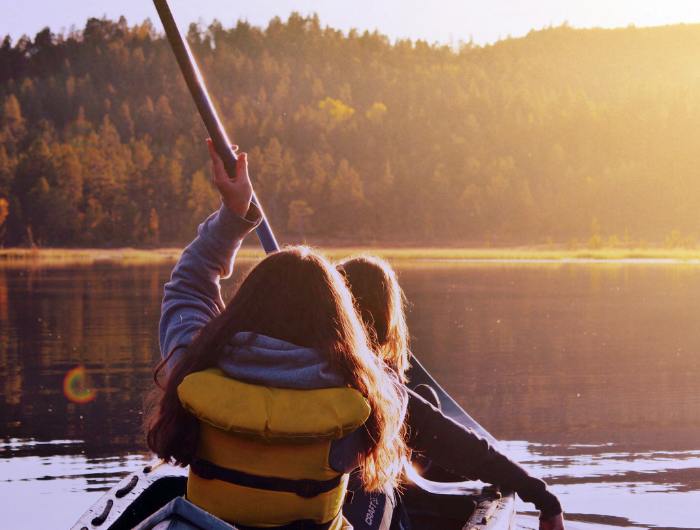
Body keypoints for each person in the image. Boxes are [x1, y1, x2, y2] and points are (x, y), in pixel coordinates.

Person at [145, 141, 409, 530]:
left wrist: (234, 214)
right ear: (339, 324)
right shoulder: (365, 407)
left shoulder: (192, 371)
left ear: (245, 309)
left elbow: (189, 283)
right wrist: (357, 353)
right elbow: (393, 387)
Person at [337, 255, 565, 530]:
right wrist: (545, 499)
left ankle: (423, 463)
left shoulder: (305, 377)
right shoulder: (382, 393)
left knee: (424, 399)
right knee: (424, 405)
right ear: (388, 317)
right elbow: (464, 448)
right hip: (369, 513)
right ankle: (425, 464)